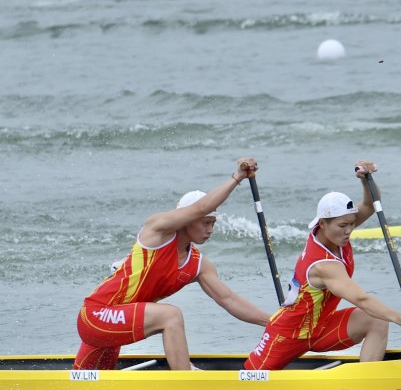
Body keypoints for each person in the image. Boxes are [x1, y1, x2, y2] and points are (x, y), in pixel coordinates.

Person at [73, 158, 272, 370]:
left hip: (119, 324)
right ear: (186, 219)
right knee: (171, 315)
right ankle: (185, 384)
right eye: (205, 222)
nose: (210, 229)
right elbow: (202, 207)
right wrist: (238, 177)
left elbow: (229, 300)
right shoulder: (156, 232)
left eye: (212, 223)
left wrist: (273, 321)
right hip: (95, 316)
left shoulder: (199, 265)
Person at [243, 161, 401, 371]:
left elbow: (372, 204)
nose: (348, 231)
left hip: (322, 327)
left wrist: (366, 181)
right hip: (287, 334)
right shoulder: (323, 264)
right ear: (322, 223)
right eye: (343, 226)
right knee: (249, 377)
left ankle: (365, 384)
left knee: (376, 320)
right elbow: (361, 298)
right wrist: (399, 318)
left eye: (352, 224)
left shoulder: (335, 233)